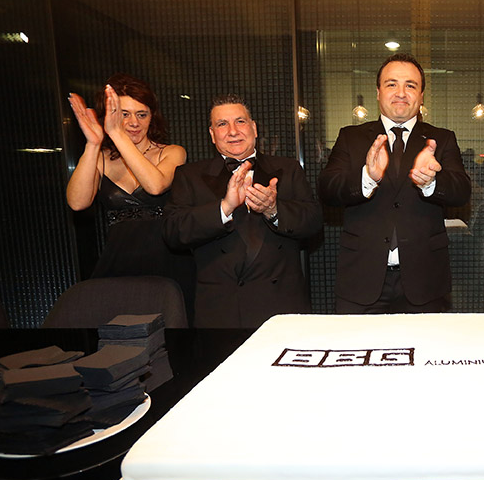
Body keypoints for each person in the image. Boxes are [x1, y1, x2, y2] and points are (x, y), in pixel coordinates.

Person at [318, 53, 471, 313]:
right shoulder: (350, 137)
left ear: (421, 96)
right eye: (392, 84)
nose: (401, 93)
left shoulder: (441, 139)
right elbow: (327, 190)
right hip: (361, 279)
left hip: (425, 280)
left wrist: (431, 182)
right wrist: (367, 177)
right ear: (378, 92)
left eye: (410, 85)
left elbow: (462, 191)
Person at [163, 94, 321, 328]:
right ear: (212, 135)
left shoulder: (288, 169)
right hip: (221, 312)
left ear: (254, 128)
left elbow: (314, 223)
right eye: (222, 124)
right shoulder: (190, 175)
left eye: (240, 121)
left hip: (282, 308)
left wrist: (273, 209)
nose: (233, 131)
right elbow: (173, 233)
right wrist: (224, 207)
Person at [66, 73, 196, 318]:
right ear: (109, 116)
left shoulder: (172, 152)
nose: (134, 122)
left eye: (142, 114)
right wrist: (93, 144)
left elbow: (155, 186)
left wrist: (116, 134)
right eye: (124, 114)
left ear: (152, 117)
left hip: (170, 264)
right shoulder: (101, 158)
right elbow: (77, 202)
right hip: (119, 265)